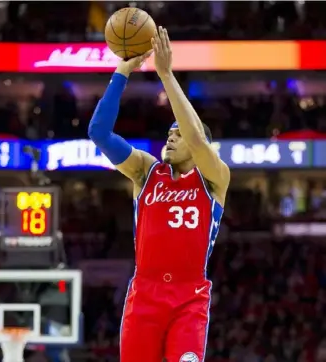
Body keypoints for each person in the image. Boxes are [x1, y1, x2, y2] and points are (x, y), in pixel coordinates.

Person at [88, 26, 230, 362]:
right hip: (145, 295)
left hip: (189, 297)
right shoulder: (146, 171)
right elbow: (99, 132)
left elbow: (197, 139)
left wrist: (166, 74)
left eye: (177, 134)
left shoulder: (214, 177)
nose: (170, 138)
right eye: (169, 132)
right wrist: (122, 71)